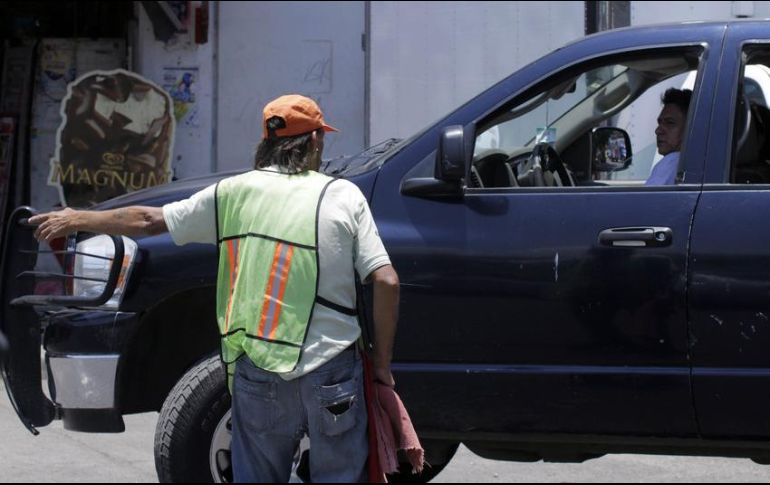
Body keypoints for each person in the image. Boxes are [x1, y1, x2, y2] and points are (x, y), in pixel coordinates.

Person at [30, 94, 400, 483]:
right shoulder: (342, 195)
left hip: (258, 367)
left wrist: (78, 218)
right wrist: (380, 366)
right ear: (313, 142)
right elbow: (387, 280)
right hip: (332, 370)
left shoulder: (233, 194)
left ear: (268, 142)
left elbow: (148, 221)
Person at [645, 88, 692, 185]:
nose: (658, 131)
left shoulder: (672, 161)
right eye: (660, 123)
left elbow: (644, 199)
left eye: (670, 123)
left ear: (691, 128)